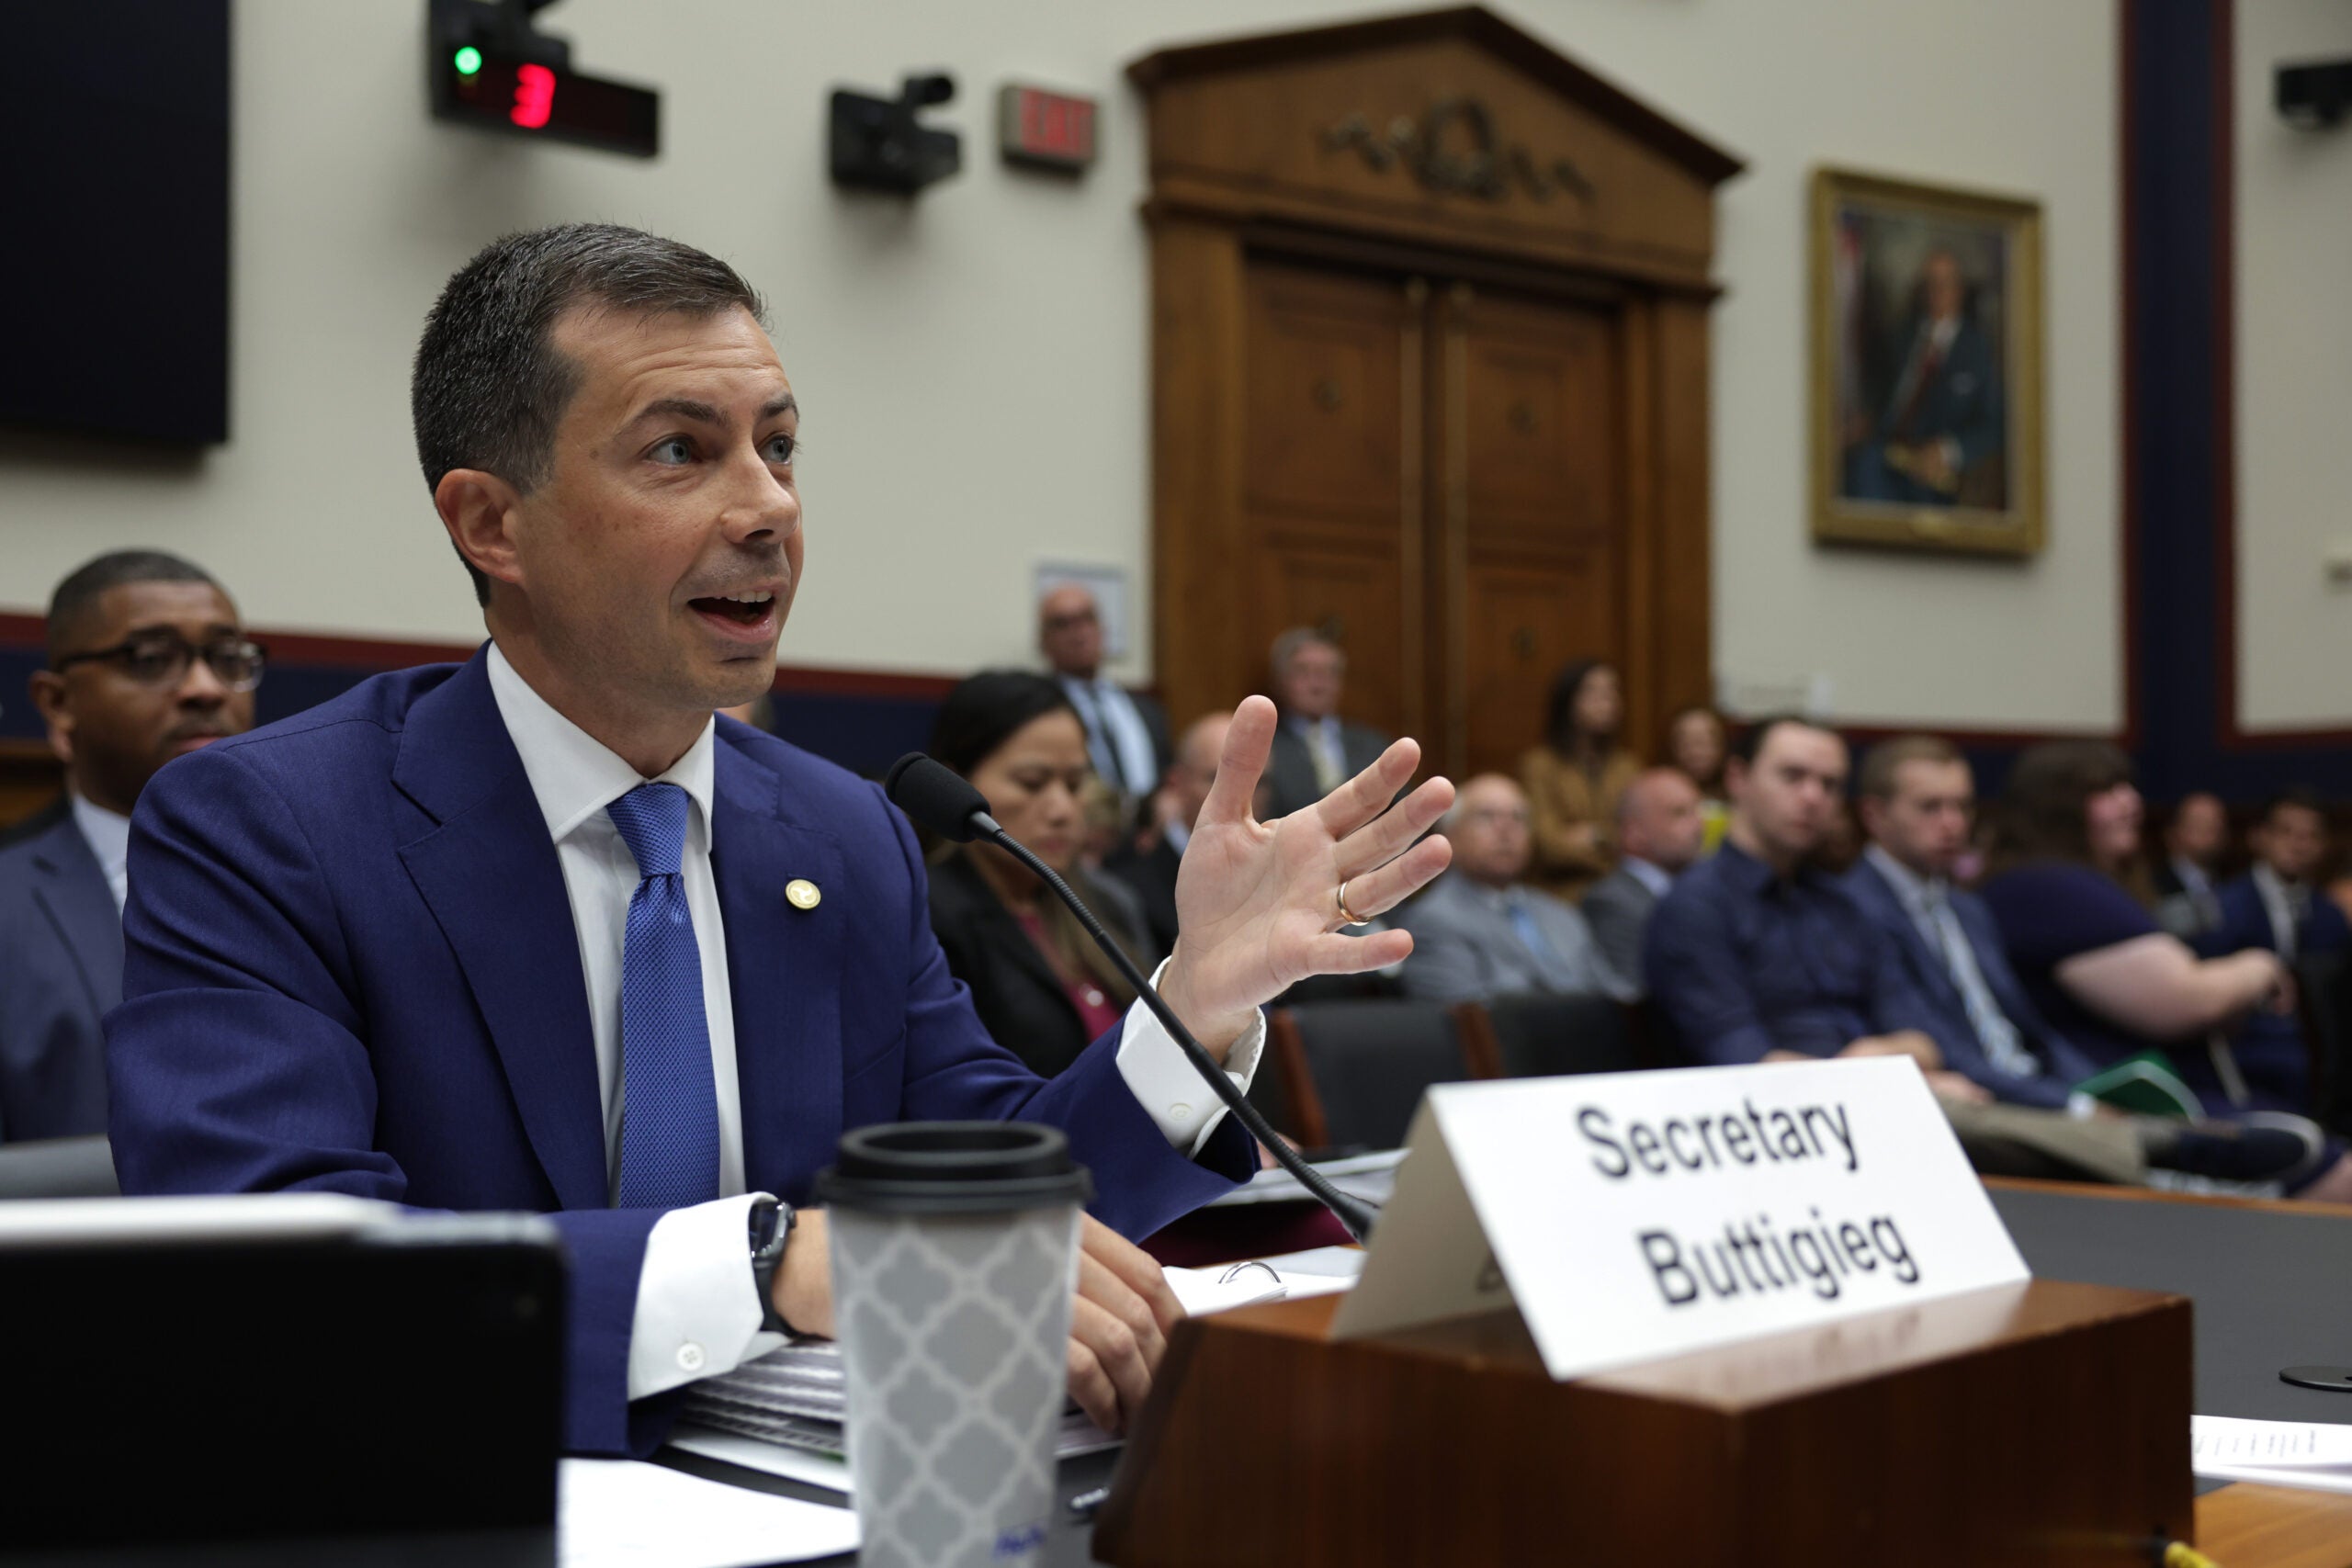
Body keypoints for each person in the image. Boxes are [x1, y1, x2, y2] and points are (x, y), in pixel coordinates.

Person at [105, 223, 1455, 1457]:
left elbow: (1005, 1188)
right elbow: (280, 1280)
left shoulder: (838, 826)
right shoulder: (272, 824)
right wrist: (769, 1265)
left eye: (782, 444)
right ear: (490, 522)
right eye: (682, 450)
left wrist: (1197, 1004)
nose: (770, 508)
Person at [1849, 737, 2352, 1199]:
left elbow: (2028, 1030)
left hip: (2066, 1085)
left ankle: (2182, 1152)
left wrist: (2079, 1094)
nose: (1952, 823)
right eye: (1931, 807)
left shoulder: (1965, 907)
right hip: (1992, 1103)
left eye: (1961, 806)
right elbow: (2183, 999)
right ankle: (2180, 1154)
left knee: (2293, 1148)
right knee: (2317, 1163)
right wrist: (2079, 1107)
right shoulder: (2035, 887)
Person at [0, 550, 259, 1143]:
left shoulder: (334, 876)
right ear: (58, 704)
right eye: (149, 659)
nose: (204, 688)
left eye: (227, 659)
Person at [1640, 716, 1976, 1097]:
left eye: (1829, 784)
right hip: (1778, 1124)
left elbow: (1928, 1038)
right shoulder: (1697, 908)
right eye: (1792, 776)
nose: (1813, 797)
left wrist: (1881, 1056)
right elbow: (1742, 1064)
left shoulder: (1842, 902)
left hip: (1886, 1099)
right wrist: (1874, 1076)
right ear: (1738, 778)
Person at [1979, 743, 2311, 1116]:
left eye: (2128, 787)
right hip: (2125, 1112)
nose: (2131, 802)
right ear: (2055, 807)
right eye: (2105, 792)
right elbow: (2188, 998)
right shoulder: (2049, 886)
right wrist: (2261, 965)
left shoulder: (2065, 881)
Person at [923, 672, 1157, 1077]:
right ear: (955, 786)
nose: (1062, 809)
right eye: (1032, 783)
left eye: (1075, 782)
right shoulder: (931, 918)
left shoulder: (1107, 903)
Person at [1396, 774, 1611, 1005]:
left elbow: (1611, 994)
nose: (1506, 829)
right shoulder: (1433, 920)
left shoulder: (1562, 914)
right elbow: (1468, 1021)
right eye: (1486, 816)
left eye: (1518, 818)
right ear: (1449, 836)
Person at [1842, 247, 2004, 508]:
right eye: (1930, 283)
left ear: (1959, 290)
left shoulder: (1977, 350)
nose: (1936, 291)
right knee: (1860, 465)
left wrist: (1948, 451)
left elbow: (1993, 425)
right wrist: (1863, 420)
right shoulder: (1902, 338)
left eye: (1945, 283)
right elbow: (1880, 396)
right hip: (1883, 451)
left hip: (1934, 473)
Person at [1038, 582, 1170, 819]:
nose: (1078, 633)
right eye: (1063, 624)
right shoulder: (1041, 712)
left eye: (1086, 619)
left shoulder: (1145, 708)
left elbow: (1167, 774)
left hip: (1148, 841)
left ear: (1102, 628)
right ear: (1044, 641)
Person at [1104, 712, 1229, 960]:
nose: (1245, 794)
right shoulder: (1131, 888)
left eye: (1262, 781)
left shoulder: (1277, 868)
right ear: (1176, 784)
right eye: (1217, 779)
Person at [1519, 660, 1640, 902]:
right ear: (1568, 700)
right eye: (1592, 690)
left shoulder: (1628, 766)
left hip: (1621, 893)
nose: (1605, 700)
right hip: (1562, 896)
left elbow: (1639, 837)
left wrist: (1596, 837)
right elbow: (1547, 844)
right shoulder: (1540, 765)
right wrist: (1611, 843)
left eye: (1612, 691)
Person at [1581, 767, 1706, 1000]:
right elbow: (1636, 1000)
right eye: (1679, 813)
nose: (1698, 825)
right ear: (1634, 832)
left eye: (1697, 811)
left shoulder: (1705, 894)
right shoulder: (1611, 902)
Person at [2195, 789, 2350, 966]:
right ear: (2259, 836)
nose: (2300, 845)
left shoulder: (2330, 915)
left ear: (2324, 845)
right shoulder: (2221, 907)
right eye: (2286, 832)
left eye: (2312, 835)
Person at [1261, 628, 1392, 821]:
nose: (1318, 684)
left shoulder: (1374, 745)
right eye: (1303, 671)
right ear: (1279, 680)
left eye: (1329, 673)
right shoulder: (1265, 749)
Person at [2153, 790, 2229, 938]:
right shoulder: (2152, 887)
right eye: (2199, 823)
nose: (2212, 831)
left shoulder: (2229, 886)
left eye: (2217, 823)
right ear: (2172, 834)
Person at [1663, 702, 1731, 852]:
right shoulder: (1660, 799)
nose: (1697, 752)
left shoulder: (1740, 795)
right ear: (1673, 748)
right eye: (1688, 743)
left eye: (1706, 741)